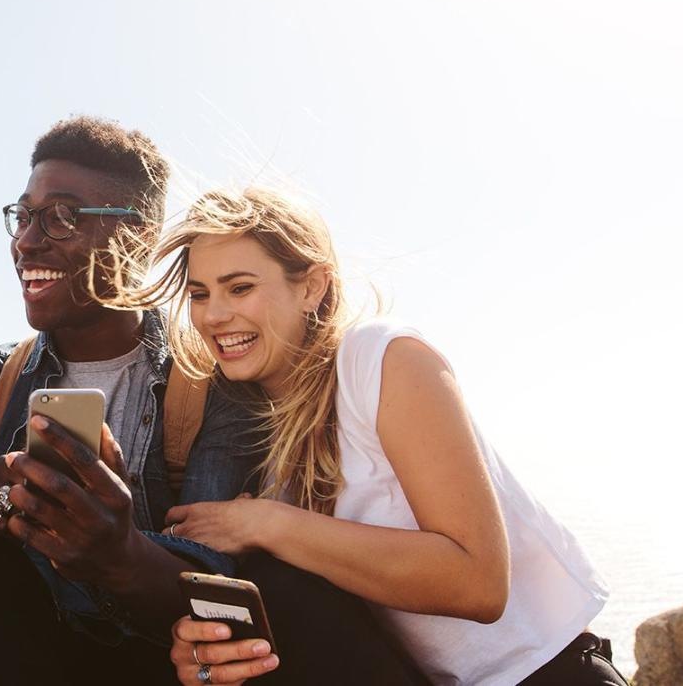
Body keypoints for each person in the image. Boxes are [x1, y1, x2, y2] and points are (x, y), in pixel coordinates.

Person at [0, 117, 425, 685]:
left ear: (138, 236)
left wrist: (119, 553)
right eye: (24, 216)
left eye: (61, 217)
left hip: (175, 658)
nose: (27, 241)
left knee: (277, 594)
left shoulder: (213, 375)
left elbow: (221, 576)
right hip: (43, 657)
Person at [139, 187, 623, 685]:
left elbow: (480, 585)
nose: (213, 315)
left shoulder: (381, 358)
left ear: (312, 287)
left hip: (548, 673)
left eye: (239, 287)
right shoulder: (249, 433)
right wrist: (210, 658)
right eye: (199, 294)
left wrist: (267, 524)